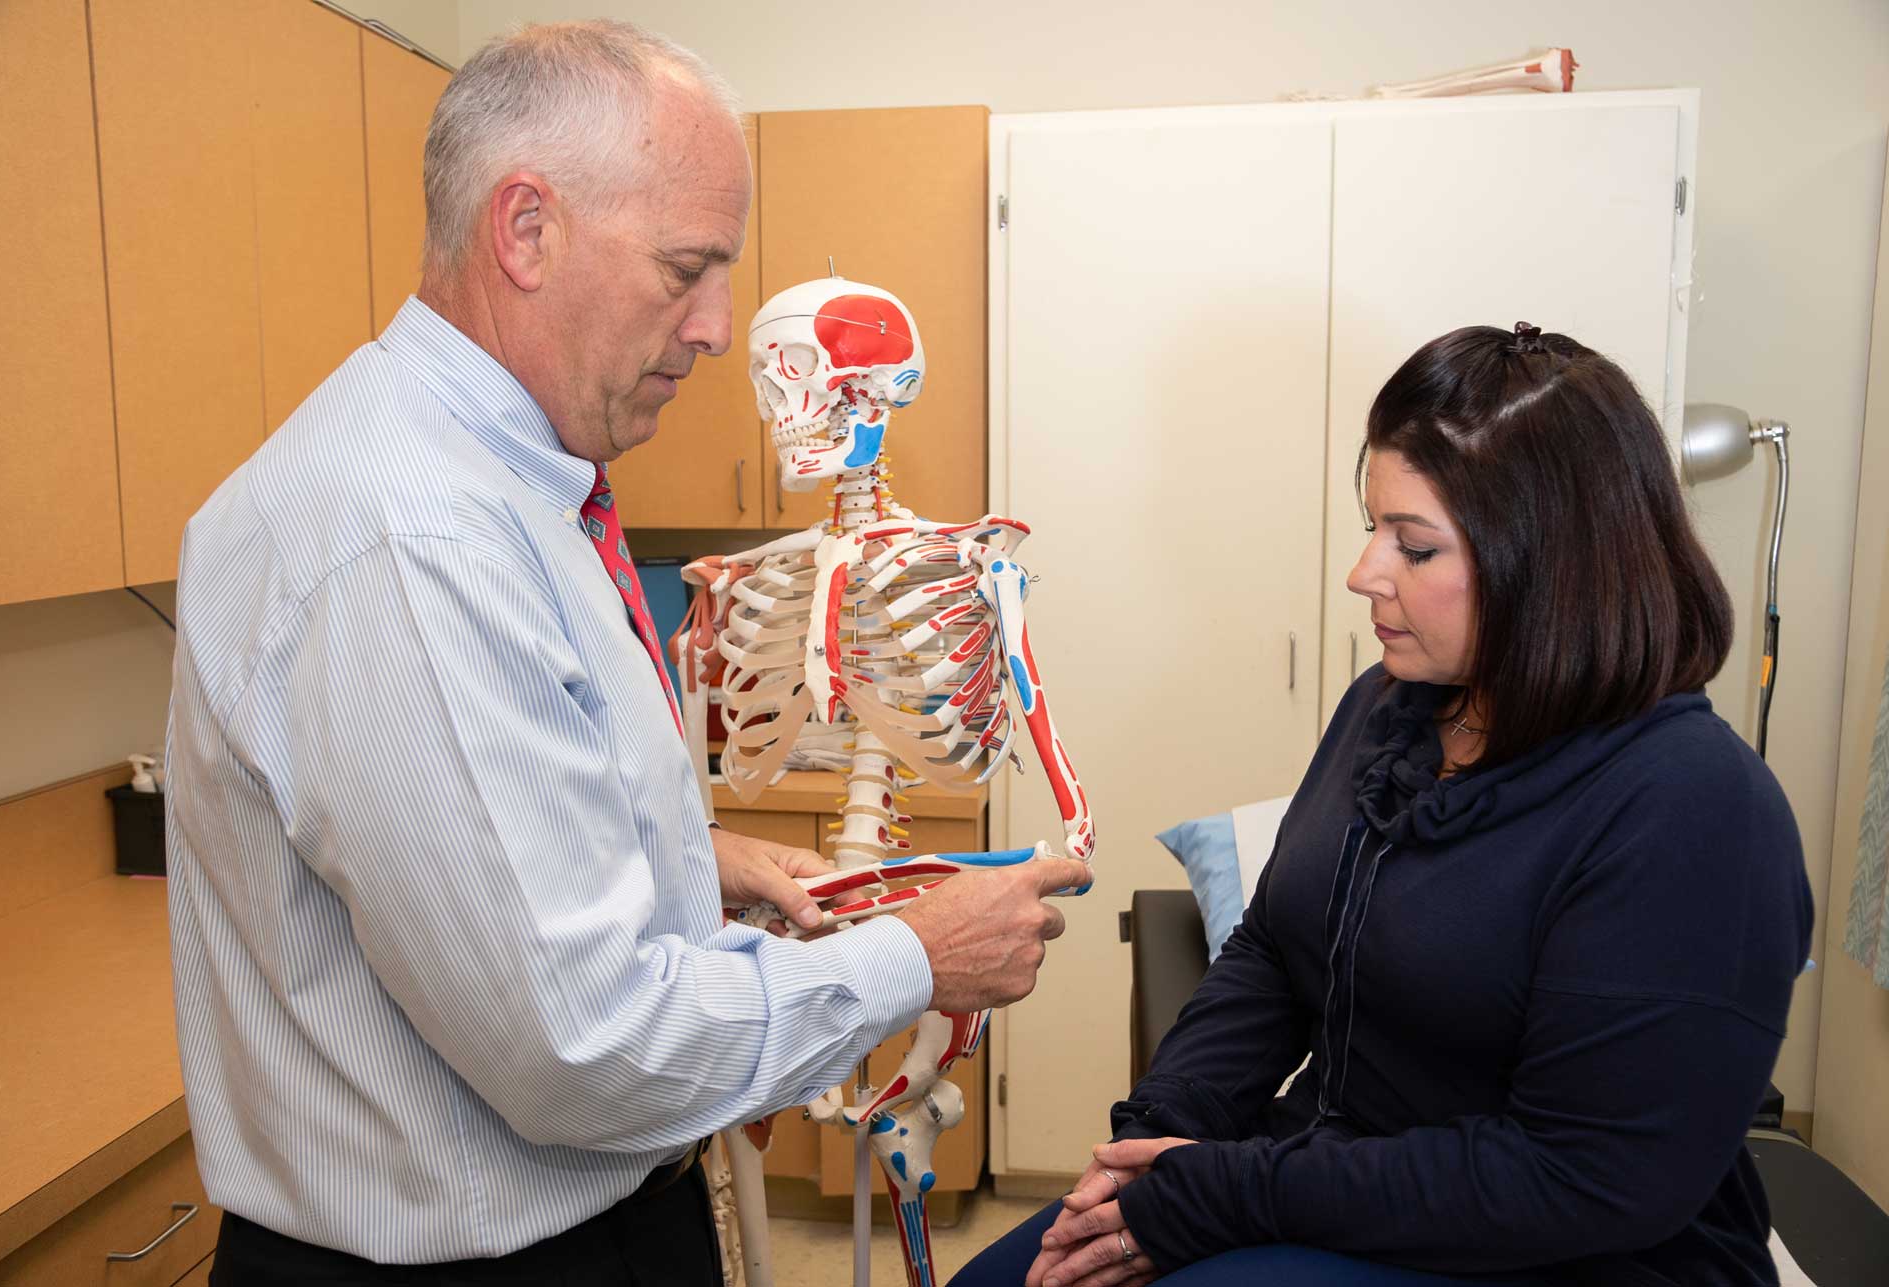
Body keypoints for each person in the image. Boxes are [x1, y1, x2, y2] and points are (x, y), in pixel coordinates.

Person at [163, 20, 1088, 1286]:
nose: (715, 330)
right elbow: (583, 1049)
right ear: (525, 229)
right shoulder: (413, 539)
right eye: (684, 269)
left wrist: (676, 861)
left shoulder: (497, 489)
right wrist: (917, 957)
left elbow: (473, 848)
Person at [950, 323, 1814, 1287]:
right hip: (1338, 1181)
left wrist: (1224, 1191)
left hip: (1553, 1251)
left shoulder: (1692, 809)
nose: (1365, 572)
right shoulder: (1391, 710)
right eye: (1373, 529)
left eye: (1413, 545)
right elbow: (1277, 945)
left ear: (1552, 563)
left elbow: (1584, 1176)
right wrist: (1160, 1134)